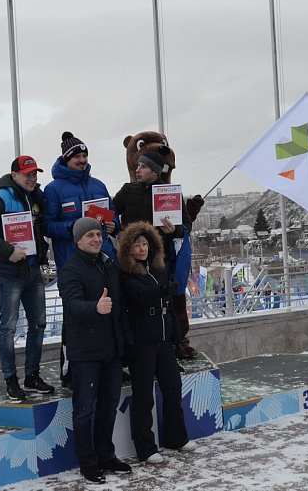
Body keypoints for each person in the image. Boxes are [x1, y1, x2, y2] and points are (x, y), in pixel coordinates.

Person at [57, 217, 133, 483]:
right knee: (84, 410)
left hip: (111, 350)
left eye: (98, 234)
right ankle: (88, 462)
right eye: (90, 235)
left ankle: (106, 456)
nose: (96, 239)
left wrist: (125, 344)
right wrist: (95, 308)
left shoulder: (108, 264)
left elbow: (119, 308)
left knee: (109, 406)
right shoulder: (70, 270)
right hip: (85, 352)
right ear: (78, 241)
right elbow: (72, 304)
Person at [43, 131, 120, 387]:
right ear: (66, 159)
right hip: (72, 263)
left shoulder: (98, 185)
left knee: (109, 312)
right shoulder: (53, 189)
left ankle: (112, 365)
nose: (82, 160)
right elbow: (47, 225)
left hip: (104, 261)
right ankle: (70, 371)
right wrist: (72, 227)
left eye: (85, 156)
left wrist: (114, 226)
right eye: (77, 156)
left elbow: (113, 216)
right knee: (76, 317)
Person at [0, 155, 54, 401]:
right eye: (27, 174)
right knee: (8, 328)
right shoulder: (1, 198)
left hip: (33, 270)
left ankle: (32, 376)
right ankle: (11, 379)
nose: (32, 178)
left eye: (35, 174)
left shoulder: (36, 196)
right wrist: (8, 251)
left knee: (38, 324)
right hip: (10, 273)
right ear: (14, 175)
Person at [117, 221, 196, 464]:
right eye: (136, 245)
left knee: (173, 389)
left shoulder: (159, 268)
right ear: (128, 249)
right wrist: (162, 289)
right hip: (142, 342)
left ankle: (176, 438)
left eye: (145, 244)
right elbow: (140, 294)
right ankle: (146, 448)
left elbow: (169, 306)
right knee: (143, 396)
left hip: (163, 341)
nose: (142, 249)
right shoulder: (126, 274)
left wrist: (176, 337)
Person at [114, 151, 196, 359]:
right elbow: (111, 212)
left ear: (155, 171)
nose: (137, 170)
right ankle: (132, 351)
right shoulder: (128, 190)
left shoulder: (169, 193)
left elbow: (186, 225)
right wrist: (112, 227)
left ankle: (170, 348)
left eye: (143, 166)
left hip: (161, 260)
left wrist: (175, 230)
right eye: (137, 165)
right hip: (132, 262)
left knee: (164, 304)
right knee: (133, 305)